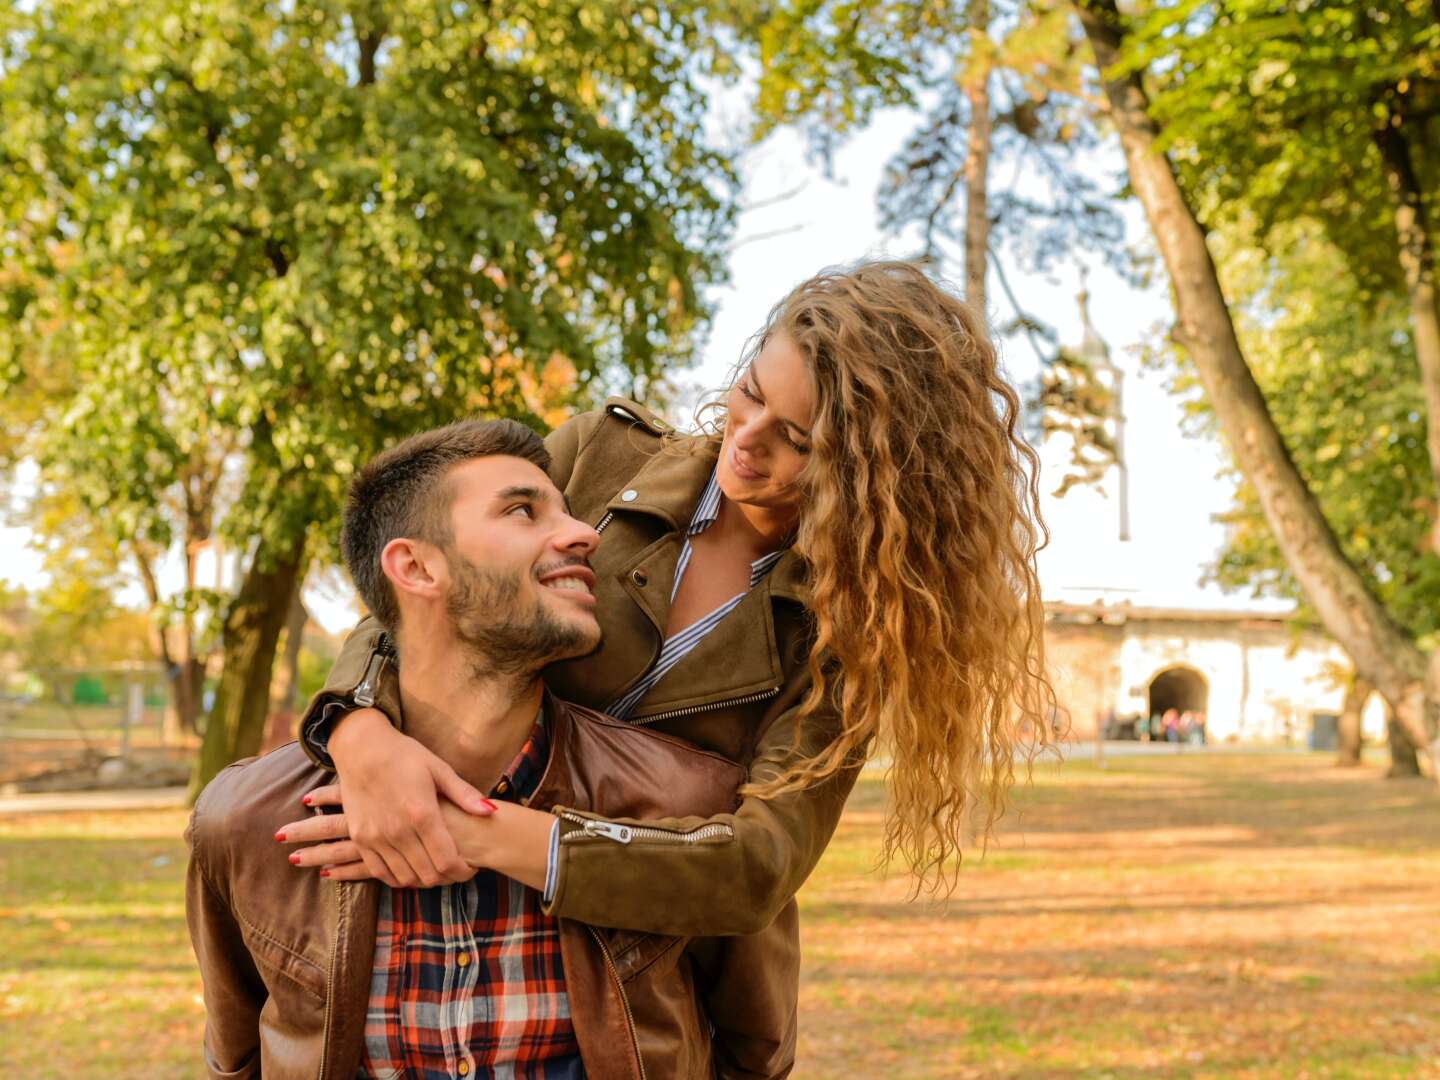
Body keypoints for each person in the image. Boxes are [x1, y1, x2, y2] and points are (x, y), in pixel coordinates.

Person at [286, 261, 1057, 1074]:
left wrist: (487, 830)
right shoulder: (596, 459)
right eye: (752, 393)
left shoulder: (847, 640)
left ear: (877, 474)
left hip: (649, 986)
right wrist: (359, 729)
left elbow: (756, 865)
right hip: (437, 927)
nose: (747, 443)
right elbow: (418, 591)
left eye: (798, 441)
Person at [186, 419, 753, 1079]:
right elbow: (237, 1059)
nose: (585, 534)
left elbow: (753, 1053)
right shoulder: (247, 823)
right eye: (522, 511)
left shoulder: (686, 804)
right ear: (417, 567)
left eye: (567, 513)